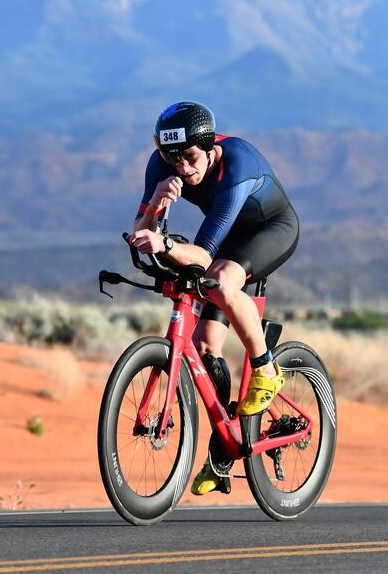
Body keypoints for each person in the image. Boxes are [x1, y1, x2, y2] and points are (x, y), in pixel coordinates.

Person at [127, 101, 300, 495]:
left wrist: (165, 242)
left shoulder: (236, 166)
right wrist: (155, 206)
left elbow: (204, 256)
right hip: (226, 239)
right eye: (173, 159)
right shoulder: (161, 165)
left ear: (210, 147)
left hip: (269, 229)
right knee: (205, 345)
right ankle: (222, 450)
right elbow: (140, 227)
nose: (183, 168)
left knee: (220, 280)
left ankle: (267, 369)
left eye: (190, 157)